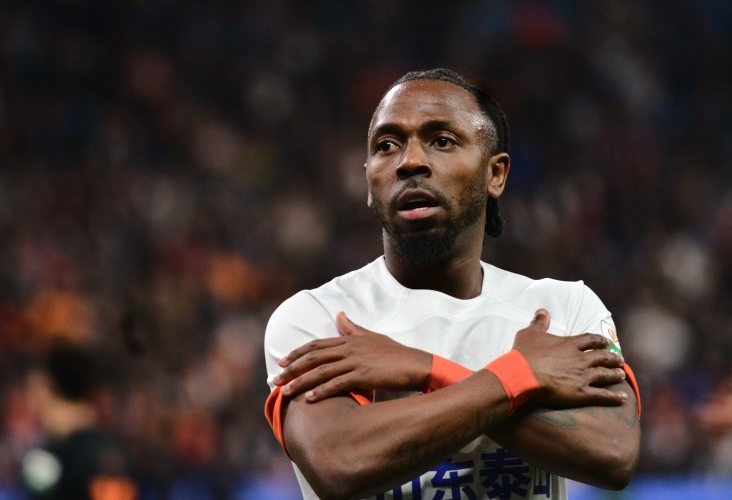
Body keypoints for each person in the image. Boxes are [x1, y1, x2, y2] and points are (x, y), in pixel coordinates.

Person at [264, 68, 641, 500]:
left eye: (442, 141)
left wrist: (426, 369)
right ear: (368, 180)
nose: (409, 161)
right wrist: (523, 375)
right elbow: (340, 463)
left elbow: (614, 453)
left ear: (495, 174)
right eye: (387, 145)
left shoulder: (565, 307)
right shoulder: (317, 318)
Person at [21, 340, 138, 500]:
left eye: (34, 389)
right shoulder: (115, 452)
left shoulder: (47, 460)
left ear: (51, 387)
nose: (30, 399)